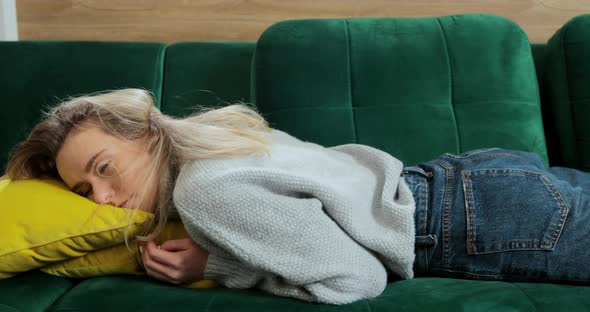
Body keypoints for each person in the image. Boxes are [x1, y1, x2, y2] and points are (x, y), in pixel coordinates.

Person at [4, 88, 590, 305]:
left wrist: (221, 265)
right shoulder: (222, 138)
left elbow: (357, 279)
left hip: (473, 222)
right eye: (84, 190)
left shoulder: (204, 190)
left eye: (104, 168)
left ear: (148, 134)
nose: (103, 198)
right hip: (477, 182)